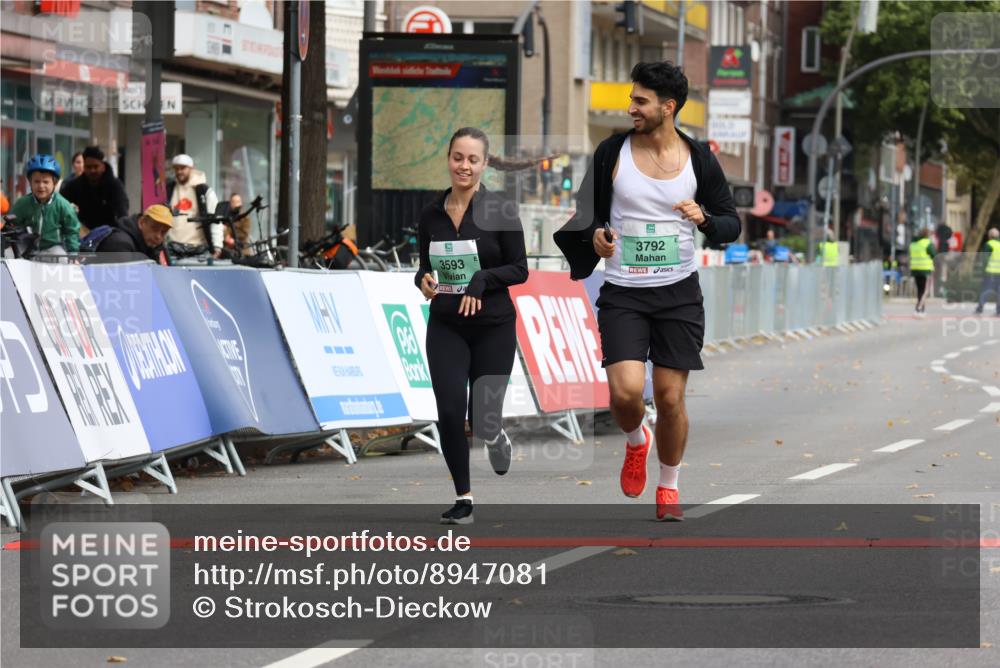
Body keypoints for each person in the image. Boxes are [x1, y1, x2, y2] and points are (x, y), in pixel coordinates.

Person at [554, 61, 740, 521]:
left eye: (640, 100)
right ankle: (638, 439)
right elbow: (586, 215)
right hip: (624, 292)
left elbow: (731, 224)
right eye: (632, 98)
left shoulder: (699, 160)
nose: (631, 107)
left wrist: (705, 220)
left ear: (667, 107)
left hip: (678, 292)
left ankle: (669, 485)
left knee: (672, 398)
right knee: (625, 394)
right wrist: (597, 234)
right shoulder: (611, 153)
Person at [414, 127, 530, 525]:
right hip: (446, 324)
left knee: (483, 419)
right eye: (458, 157)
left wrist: (482, 280)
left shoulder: (501, 210)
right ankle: (463, 497)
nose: (464, 165)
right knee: (449, 410)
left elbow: (520, 269)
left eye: (472, 159)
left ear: (484, 164)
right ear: (448, 159)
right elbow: (424, 266)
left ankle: (495, 437)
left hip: (493, 327)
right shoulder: (431, 213)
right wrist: (423, 281)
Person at [9, 154, 80, 256]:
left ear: (54, 183)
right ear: (30, 182)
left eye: (46, 182)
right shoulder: (23, 204)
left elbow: (72, 230)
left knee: (62, 260)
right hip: (27, 247)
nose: (41, 186)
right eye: (36, 181)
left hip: (53, 248)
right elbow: (11, 225)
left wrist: (73, 253)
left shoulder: (63, 205)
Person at [60, 146, 129, 231]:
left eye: (96, 167)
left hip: (110, 233)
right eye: (88, 167)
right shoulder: (75, 185)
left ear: (103, 167)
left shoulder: (115, 185)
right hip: (83, 233)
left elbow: (122, 212)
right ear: (84, 167)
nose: (92, 170)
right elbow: (60, 204)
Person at [166, 154, 222, 257]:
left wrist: (217, 247)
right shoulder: (170, 189)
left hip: (199, 248)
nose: (179, 172)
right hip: (173, 248)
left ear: (191, 168)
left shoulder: (203, 190)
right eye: (176, 168)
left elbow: (215, 219)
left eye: (183, 168)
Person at [91, 204, 173, 266]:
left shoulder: (153, 247)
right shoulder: (119, 243)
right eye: (154, 228)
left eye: (163, 232)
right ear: (142, 222)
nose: (158, 236)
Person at [908, 228, 936, 315]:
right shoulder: (927, 243)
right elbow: (934, 254)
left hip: (915, 270)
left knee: (920, 290)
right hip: (925, 270)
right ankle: (919, 308)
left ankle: (921, 308)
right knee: (925, 291)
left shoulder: (913, 244)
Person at [974, 227, 1000, 317]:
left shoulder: (989, 245)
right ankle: (999, 310)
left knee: (985, 290)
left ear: (990, 236)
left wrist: (982, 271)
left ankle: (980, 308)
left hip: (990, 272)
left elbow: (984, 259)